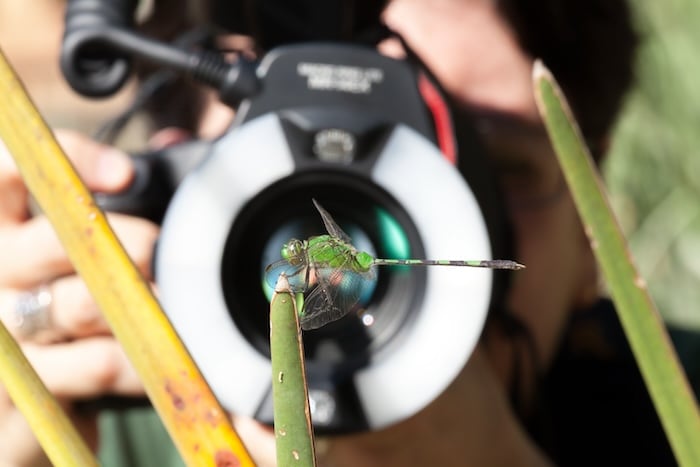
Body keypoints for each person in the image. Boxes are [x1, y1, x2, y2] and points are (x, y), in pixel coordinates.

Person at [0, 0, 678, 465]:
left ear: (599, 221)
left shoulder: (680, 408)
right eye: (297, 173)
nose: (436, 230)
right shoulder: (87, 416)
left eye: (497, 165)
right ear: (177, 187)